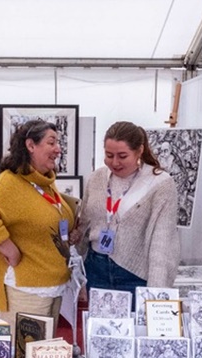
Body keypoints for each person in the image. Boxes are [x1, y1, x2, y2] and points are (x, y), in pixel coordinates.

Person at [0, 119, 76, 330]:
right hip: (27, 288)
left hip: (51, 284)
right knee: (23, 356)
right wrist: (8, 248)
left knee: (39, 356)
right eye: (52, 142)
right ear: (30, 145)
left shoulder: (44, 183)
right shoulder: (9, 182)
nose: (58, 149)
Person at [73, 121, 179, 295]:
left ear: (139, 151)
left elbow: (163, 243)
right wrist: (77, 274)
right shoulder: (97, 178)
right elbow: (84, 226)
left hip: (134, 275)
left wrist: (157, 294)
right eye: (109, 155)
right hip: (95, 270)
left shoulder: (160, 184)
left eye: (122, 156)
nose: (115, 163)